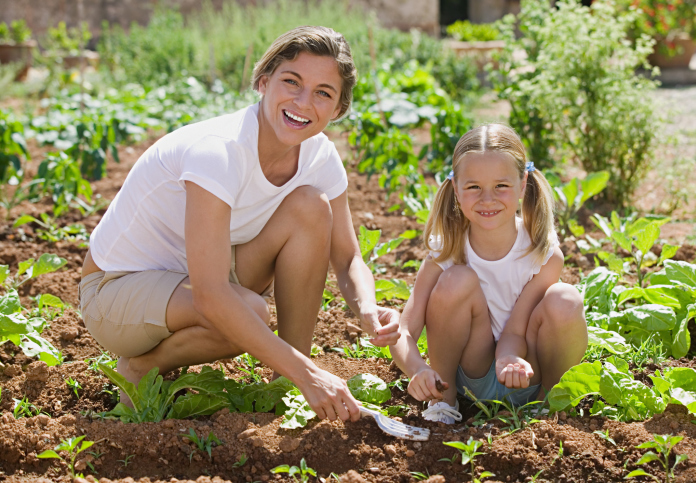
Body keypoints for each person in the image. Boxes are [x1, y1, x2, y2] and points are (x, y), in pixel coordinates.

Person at [78, 26, 400, 423]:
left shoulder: (319, 157)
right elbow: (212, 296)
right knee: (246, 311)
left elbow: (348, 256)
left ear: (337, 109)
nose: (303, 101)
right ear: (264, 82)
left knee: (310, 207)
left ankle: (288, 381)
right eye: (291, 82)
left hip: (186, 279)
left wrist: (367, 307)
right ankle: (144, 367)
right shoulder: (219, 150)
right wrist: (310, 374)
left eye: (323, 92)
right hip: (116, 291)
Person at [389, 124, 587, 424]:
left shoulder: (542, 254)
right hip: (472, 374)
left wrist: (508, 359)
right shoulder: (446, 250)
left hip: (526, 372)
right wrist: (417, 368)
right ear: (456, 189)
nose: (487, 199)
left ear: (522, 185)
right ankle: (443, 401)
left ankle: (548, 405)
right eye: (474, 187)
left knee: (565, 298)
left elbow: (516, 329)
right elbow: (404, 331)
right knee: (457, 279)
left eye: (501, 186)